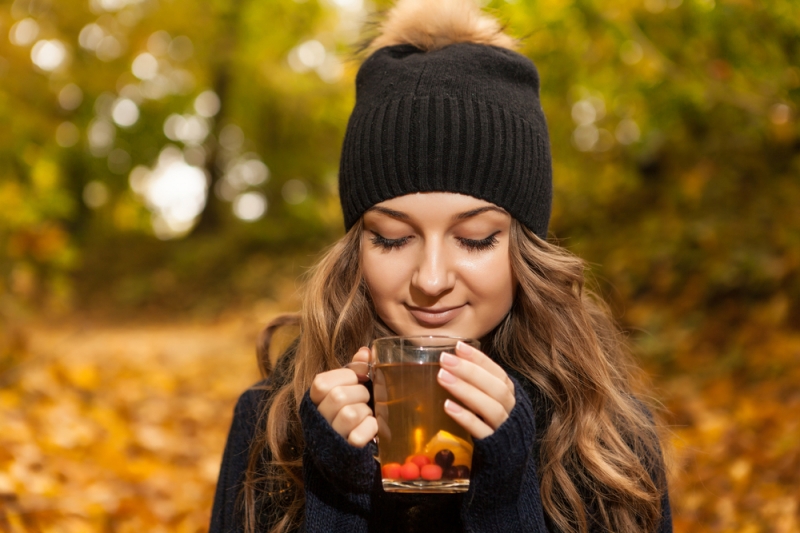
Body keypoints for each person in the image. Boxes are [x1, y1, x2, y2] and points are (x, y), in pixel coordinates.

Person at [210, 0, 673, 531]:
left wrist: (505, 498)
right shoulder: (270, 425)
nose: (431, 280)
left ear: (526, 250)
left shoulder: (610, 442)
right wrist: (335, 493)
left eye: (475, 240)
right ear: (355, 249)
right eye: (392, 238)